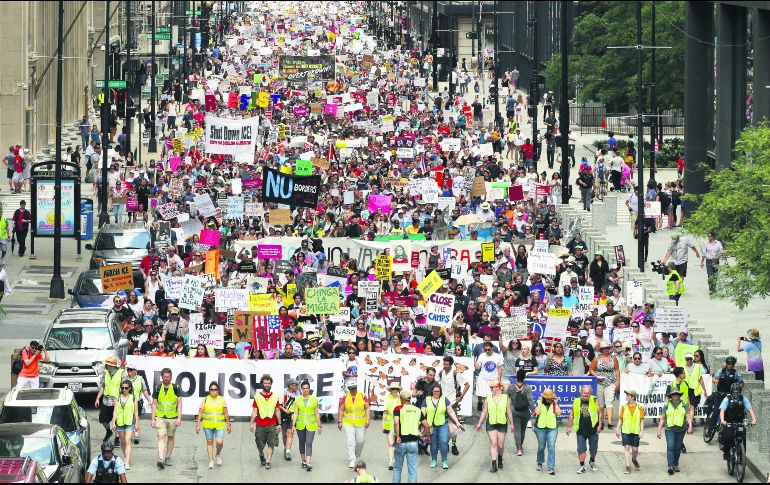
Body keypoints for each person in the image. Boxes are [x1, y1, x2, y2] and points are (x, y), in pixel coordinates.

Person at [421, 383, 463, 469]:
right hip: (431, 426)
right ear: (432, 391)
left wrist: (457, 422)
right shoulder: (426, 400)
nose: (437, 393)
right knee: (433, 444)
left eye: (438, 391)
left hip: (442, 424)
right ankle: (434, 460)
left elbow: (450, 411)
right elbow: (422, 413)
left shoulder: (444, 399)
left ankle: (444, 461)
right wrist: (420, 424)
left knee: (444, 442)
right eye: (435, 391)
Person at [475, 381, 514, 473]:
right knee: (494, 443)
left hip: (502, 423)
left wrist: (512, 424)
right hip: (491, 423)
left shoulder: (506, 398)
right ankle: (494, 465)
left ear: (499, 387)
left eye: (493, 387)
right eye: (490, 387)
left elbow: (509, 412)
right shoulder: (488, 398)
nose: (491, 389)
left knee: (500, 445)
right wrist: (479, 423)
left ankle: (500, 458)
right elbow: (484, 411)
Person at [566, 385, 602, 473]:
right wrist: (569, 427)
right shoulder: (576, 401)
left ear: (590, 393)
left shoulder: (594, 400)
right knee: (581, 449)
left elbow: (600, 413)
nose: (586, 394)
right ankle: (582, 466)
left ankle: (592, 461)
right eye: (584, 393)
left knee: (593, 448)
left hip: (593, 429)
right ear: (581, 393)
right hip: (580, 429)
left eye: (588, 393)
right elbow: (571, 414)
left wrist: (600, 425)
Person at [151, 367, 182, 470]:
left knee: (171, 437)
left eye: (168, 377)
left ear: (171, 377)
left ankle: (167, 457)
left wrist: (179, 418)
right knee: (161, 436)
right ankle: (161, 458)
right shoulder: (157, 388)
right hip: (160, 416)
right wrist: (153, 419)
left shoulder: (176, 387)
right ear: (162, 377)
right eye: (165, 377)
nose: (167, 378)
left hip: (172, 417)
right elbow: (154, 404)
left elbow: (179, 403)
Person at [195, 381, 231, 469]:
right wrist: (198, 425)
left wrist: (228, 424)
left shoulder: (222, 399)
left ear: (218, 390)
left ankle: (218, 454)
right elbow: (200, 413)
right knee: (209, 442)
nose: (213, 391)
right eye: (212, 389)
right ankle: (211, 461)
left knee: (219, 442)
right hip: (207, 425)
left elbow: (226, 413)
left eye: (215, 389)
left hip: (219, 424)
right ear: (209, 390)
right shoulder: (205, 399)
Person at [657, 388, 693, 475]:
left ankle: (675, 464)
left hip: (681, 429)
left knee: (677, 447)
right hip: (670, 429)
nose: (675, 395)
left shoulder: (684, 404)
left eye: (677, 394)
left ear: (679, 395)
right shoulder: (666, 405)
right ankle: (670, 466)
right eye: (673, 394)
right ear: (671, 396)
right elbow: (662, 419)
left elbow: (688, 416)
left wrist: (690, 426)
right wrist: (659, 430)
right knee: (670, 446)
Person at [718, 383, 757, 461]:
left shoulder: (743, 399)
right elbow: (722, 410)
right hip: (729, 422)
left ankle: (742, 457)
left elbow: (750, 409)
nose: (736, 394)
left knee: (743, 437)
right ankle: (727, 453)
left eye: (738, 393)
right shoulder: (727, 399)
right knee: (728, 437)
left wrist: (754, 420)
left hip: (740, 422)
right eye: (735, 393)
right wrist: (722, 420)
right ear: (732, 392)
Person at [250, 374, 281, 470]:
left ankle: (268, 461)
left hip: (272, 424)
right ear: (262, 384)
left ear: (271, 384)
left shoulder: (275, 396)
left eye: (268, 383)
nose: (267, 385)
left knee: (271, 443)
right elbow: (254, 411)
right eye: (265, 383)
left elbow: (277, 411)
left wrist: (279, 424)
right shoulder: (257, 397)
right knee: (259, 444)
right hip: (260, 424)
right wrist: (251, 423)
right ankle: (261, 454)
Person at [338, 381, 370, 469]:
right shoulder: (345, 397)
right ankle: (352, 459)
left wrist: (368, 419)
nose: (353, 390)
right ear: (349, 389)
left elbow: (367, 408)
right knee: (350, 441)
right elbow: (341, 409)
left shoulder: (362, 396)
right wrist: (340, 421)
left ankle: (357, 456)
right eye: (351, 388)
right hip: (348, 422)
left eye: (354, 388)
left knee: (360, 440)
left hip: (361, 422)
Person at [292, 380, 322, 472]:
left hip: (311, 425)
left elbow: (316, 413)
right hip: (300, 425)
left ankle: (309, 463)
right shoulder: (297, 399)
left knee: (309, 442)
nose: (305, 390)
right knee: (302, 442)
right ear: (301, 389)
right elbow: (295, 413)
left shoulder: (314, 399)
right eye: (303, 388)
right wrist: (293, 425)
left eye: (307, 388)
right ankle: (303, 461)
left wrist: (319, 425)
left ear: (309, 389)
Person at [392, 390, 421, 483]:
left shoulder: (398, 409)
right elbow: (426, 424)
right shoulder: (417, 409)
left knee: (397, 468)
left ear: (402, 399)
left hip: (401, 442)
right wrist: (427, 435)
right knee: (412, 469)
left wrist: (397, 436)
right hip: (413, 442)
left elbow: (396, 422)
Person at [110, 379, 139, 470]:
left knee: (127, 440)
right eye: (122, 388)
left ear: (130, 388)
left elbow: (136, 411)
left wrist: (137, 423)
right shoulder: (117, 397)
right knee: (122, 442)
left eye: (126, 388)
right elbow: (115, 411)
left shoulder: (133, 398)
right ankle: (126, 457)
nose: (124, 389)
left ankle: (127, 462)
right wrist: (113, 422)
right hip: (120, 422)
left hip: (130, 422)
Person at [95, 357, 124, 445]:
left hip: (117, 400)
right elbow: (103, 387)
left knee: (117, 421)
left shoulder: (121, 374)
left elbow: (125, 387)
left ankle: (117, 438)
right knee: (102, 419)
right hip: (106, 400)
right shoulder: (106, 374)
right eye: (106, 364)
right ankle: (108, 431)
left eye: (108, 365)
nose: (107, 366)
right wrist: (97, 398)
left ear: (113, 366)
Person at [506, 370, 534, 456]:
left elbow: (506, 398)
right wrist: (534, 410)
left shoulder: (511, 387)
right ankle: (520, 446)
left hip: (514, 411)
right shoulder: (527, 387)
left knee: (517, 430)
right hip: (525, 412)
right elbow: (530, 400)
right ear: (524, 377)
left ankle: (519, 448)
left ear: (516, 377)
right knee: (523, 430)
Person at [533, 388, 561, 475]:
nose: (549, 400)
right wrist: (540, 403)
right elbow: (537, 413)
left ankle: (551, 467)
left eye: (550, 398)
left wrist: (555, 403)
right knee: (541, 447)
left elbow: (559, 413)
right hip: (540, 428)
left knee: (551, 447)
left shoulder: (555, 403)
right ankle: (540, 462)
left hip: (552, 428)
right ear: (544, 397)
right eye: (547, 398)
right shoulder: (539, 402)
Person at [616, 389, 644, 474]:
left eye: (628, 396)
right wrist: (618, 429)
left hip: (635, 431)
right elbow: (620, 419)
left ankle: (634, 459)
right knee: (627, 447)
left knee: (635, 449)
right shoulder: (624, 407)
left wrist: (641, 431)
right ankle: (628, 466)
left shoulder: (640, 407)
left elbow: (642, 420)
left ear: (632, 397)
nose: (626, 397)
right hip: (625, 430)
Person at [125, 365, 152, 445]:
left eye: (130, 370)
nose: (128, 371)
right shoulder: (125, 379)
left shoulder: (140, 378)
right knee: (129, 419)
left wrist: (149, 400)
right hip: (128, 401)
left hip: (138, 401)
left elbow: (144, 390)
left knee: (136, 419)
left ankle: (136, 435)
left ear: (135, 371)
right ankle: (129, 433)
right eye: (128, 369)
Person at [382, 383, 402, 470]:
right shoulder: (387, 399)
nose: (395, 390)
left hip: (399, 423)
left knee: (398, 443)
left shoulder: (401, 399)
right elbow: (385, 412)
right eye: (393, 389)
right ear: (390, 390)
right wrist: (382, 424)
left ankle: (397, 459)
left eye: (396, 389)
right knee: (390, 443)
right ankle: (391, 461)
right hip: (389, 423)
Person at [279, 378, 299, 461]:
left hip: (292, 416)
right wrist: (285, 410)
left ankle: (288, 452)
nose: (296, 386)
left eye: (297, 385)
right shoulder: (283, 393)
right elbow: (278, 405)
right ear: (290, 386)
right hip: (284, 415)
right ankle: (285, 448)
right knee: (284, 434)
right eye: (295, 385)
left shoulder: (298, 394)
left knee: (290, 433)